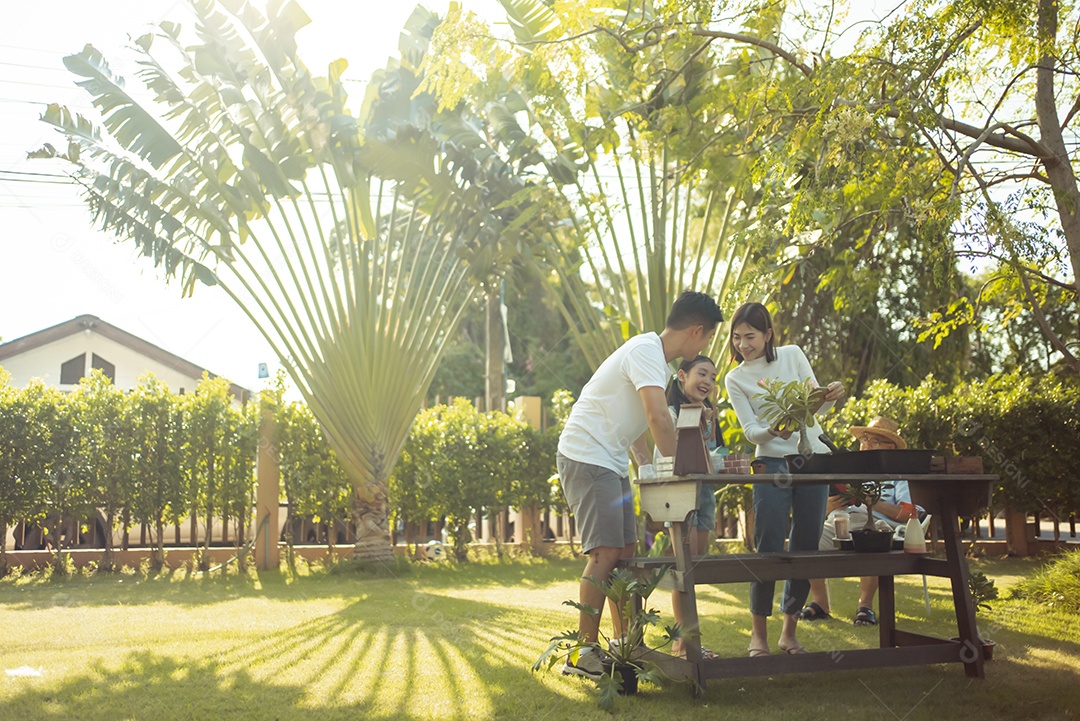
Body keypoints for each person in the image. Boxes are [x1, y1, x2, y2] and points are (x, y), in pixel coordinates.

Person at [556, 290, 724, 679]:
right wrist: (681, 472)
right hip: (586, 453)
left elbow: (636, 428)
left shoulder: (656, 363)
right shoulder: (646, 351)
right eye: (709, 338)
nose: (705, 346)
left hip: (609, 458)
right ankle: (582, 653)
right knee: (605, 552)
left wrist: (648, 466)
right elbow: (656, 419)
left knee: (627, 550)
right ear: (697, 332)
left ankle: (624, 642)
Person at [723, 302, 846, 657]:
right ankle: (758, 636)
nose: (743, 344)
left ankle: (788, 633)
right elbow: (750, 431)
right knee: (769, 545)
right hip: (771, 465)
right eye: (737, 337)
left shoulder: (792, 355)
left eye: (750, 336)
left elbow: (815, 408)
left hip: (812, 459)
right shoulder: (735, 378)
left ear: (768, 335)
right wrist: (772, 431)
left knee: (805, 546)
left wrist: (830, 396)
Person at [798, 416, 926, 626]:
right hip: (841, 520)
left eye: (874, 441)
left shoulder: (897, 475)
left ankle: (865, 605)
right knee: (809, 537)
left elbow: (911, 513)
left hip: (881, 526)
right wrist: (829, 506)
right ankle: (820, 602)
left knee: (872, 537)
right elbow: (824, 509)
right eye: (864, 440)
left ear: (890, 448)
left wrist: (872, 501)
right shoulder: (849, 470)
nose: (866, 446)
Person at [655, 354, 725, 660]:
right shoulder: (670, 413)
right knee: (684, 568)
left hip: (705, 495)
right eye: (702, 373)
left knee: (693, 568)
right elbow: (667, 458)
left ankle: (686, 642)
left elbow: (714, 456)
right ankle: (685, 644)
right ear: (682, 376)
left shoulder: (708, 414)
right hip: (680, 496)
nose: (708, 381)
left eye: (712, 376)